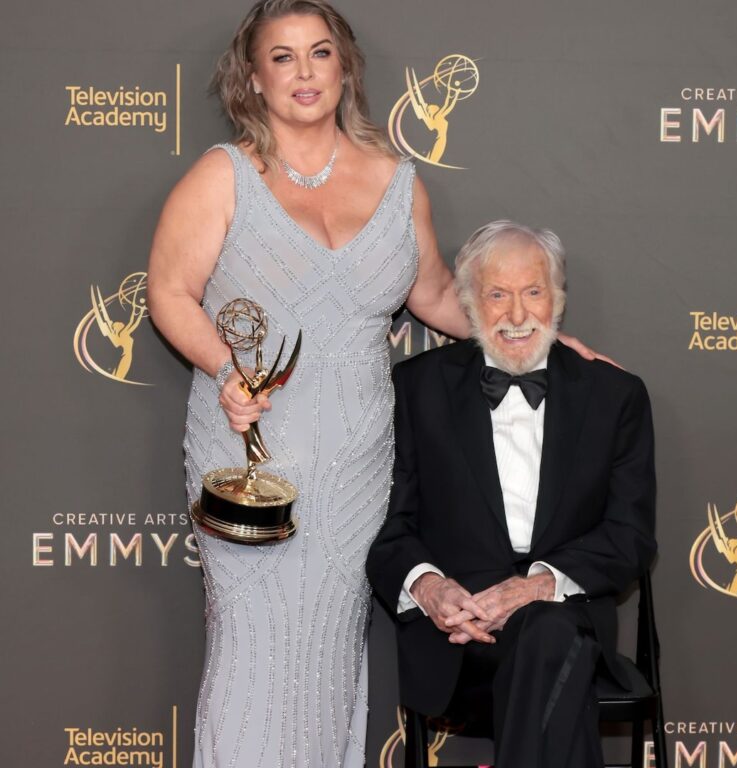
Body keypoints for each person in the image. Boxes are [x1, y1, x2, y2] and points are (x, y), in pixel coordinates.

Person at [147, 2, 603, 765]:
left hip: (359, 459)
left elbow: (431, 296)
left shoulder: (398, 182)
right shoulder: (223, 177)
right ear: (252, 78)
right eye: (283, 57)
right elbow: (168, 292)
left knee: (329, 653)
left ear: (345, 67)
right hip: (249, 453)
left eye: (319, 53)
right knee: (252, 646)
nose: (303, 73)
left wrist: (536, 339)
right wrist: (226, 368)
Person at [366, 221, 657, 768]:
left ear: (559, 300)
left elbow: (631, 536)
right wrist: (428, 587)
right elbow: (388, 529)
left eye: (533, 292)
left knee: (548, 630)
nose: (518, 315)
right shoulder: (417, 388)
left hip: (568, 633)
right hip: (457, 643)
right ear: (470, 303)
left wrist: (540, 585)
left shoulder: (615, 397)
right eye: (498, 294)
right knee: (551, 655)